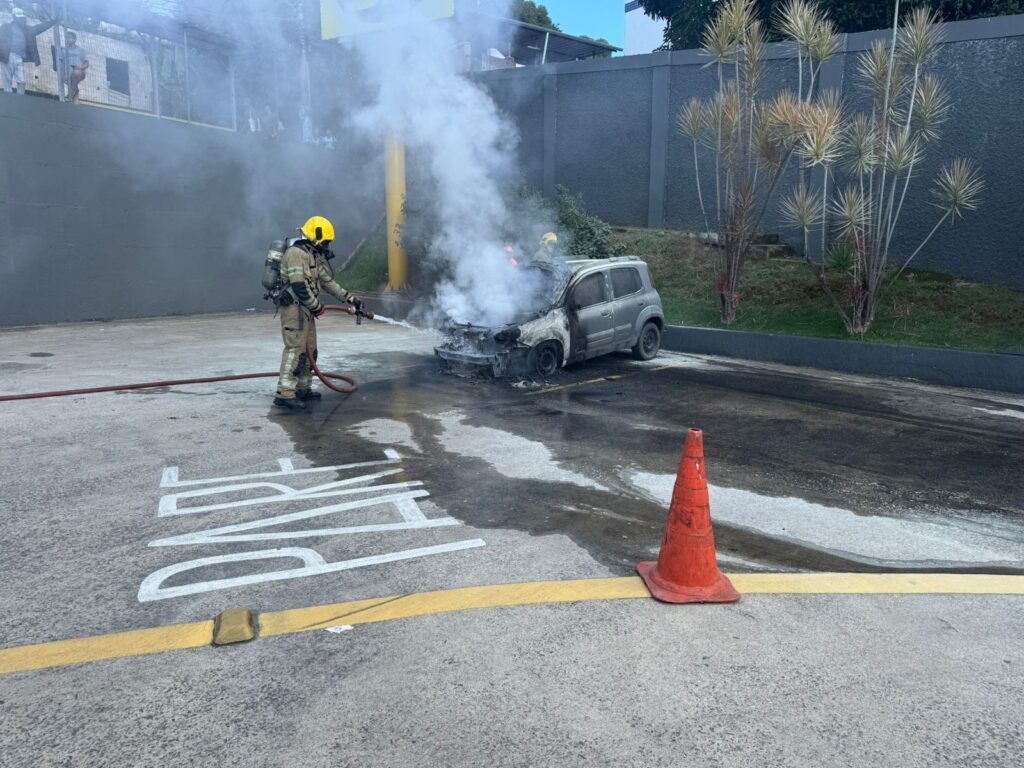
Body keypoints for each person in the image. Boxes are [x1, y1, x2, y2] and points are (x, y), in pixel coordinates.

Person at [274, 216, 361, 411]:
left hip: (306, 310)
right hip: (294, 310)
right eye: (326, 241)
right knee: (295, 349)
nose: (328, 246)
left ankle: (303, 388)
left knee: (309, 349)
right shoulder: (295, 254)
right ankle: (285, 394)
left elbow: (328, 283)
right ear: (317, 236)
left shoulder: (311, 255)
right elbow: (298, 285)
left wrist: (351, 299)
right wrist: (316, 306)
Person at [0, 7, 56, 95]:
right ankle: (8, 99)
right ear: (14, 17)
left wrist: (52, 23)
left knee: (21, 81)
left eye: (22, 18)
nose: (21, 19)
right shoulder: (7, 27)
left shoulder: (27, 29)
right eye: (19, 18)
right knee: (8, 79)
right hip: (9, 55)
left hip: (20, 57)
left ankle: (20, 98)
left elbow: (39, 27)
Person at [60, 31, 88, 102]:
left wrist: (80, 68)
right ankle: (75, 103)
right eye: (66, 38)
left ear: (75, 39)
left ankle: (71, 93)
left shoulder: (81, 50)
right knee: (74, 87)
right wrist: (62, 75)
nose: (68, 39)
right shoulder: (63, 50)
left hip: (78, 72)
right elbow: (62, 64)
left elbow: (86, 63)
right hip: (68, 73)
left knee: (76, 73)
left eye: (70, 38)